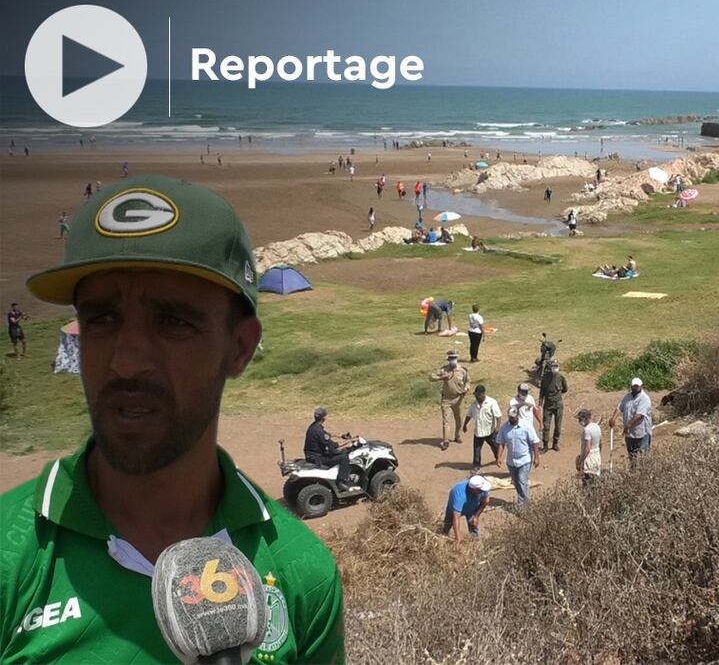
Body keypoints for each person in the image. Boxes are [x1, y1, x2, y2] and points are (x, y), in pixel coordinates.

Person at [2, 175, 346, 662]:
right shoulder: (10, 555)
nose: (125, 362)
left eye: (173, 322)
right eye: (101, 318)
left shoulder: (302, 573)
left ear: (240, 348)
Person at [495, 407, 540, 506]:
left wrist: (536, 457)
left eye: (514, 418)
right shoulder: (505, 428)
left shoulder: (526, 426)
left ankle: (523, 505)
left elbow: (535, 442)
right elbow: (501, 443)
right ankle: (523, 500)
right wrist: (498, 457)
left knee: (522, 480)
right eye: (510, 418)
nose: (512, 420)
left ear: (518, 416)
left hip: (525, 459)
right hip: (511, 461)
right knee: (516, 482)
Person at [304, 407, 357, 492]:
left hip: (311, 455)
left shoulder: (313, 426)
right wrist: (350, 441)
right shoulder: (319, 431)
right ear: (324, 418)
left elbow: (326, 435)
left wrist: (341, 436)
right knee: (344, 456)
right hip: (318, 457)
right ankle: (341, 482)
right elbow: (333, 445)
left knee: (338, 452)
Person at [430, 350, 470, 451]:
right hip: (446, 399)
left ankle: (457, 436)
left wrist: (466, 389)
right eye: (451, 358)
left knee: (459, 420)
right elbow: (431, 377)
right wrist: (441, 378)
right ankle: (446, 441)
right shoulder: (444, 370)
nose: (453, 360)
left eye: (454, 358)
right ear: (448, 360)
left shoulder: (463, 370)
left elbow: (468, 382)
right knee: (446, 421)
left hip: (459, 398)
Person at [609, 377, 653, 467]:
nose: (635, 388)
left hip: (642, 432)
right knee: (632, 455)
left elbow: (639, 416)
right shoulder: (627, 397)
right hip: (630, 433)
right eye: (634, 386)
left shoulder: (644, 399)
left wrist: (628, 426)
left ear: (641, 386)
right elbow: (619, 408)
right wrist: (613, 418)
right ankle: (633, 472)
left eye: (637, 386)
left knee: (643, 456)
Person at [462, 385, 501, 471]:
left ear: (483, 394)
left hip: (490, 431)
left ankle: (498, 458)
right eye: (475, 395)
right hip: (478, 432)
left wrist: (497, 427)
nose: (476, 397)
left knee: (495, 446)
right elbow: (469, 415)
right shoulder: (473, 404)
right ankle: (476, 465)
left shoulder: (491, 402)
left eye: (478, 395)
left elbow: (498, 416)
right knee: (477, 449)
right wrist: (465, 425)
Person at [443, 475, 492, 541]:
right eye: (480, 491)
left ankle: (475, 543)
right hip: (453, 510)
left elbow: (486, 501)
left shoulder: (483, 488)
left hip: (472, 508)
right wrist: (458, 539)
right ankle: (442, 538)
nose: (483, 492)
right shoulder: (459, 494)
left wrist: (476, 515)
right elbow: (456, 516)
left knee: (474, 529)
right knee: (446, 526)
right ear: (474, 489)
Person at [539, 360, 569, 452]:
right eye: (553, 366)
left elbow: (565, 389)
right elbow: (542, 393)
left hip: (558, 405)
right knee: (546, 425)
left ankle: (555, 443)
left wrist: (558, 396)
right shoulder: (545, 378)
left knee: (558, 426)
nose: (554, 368)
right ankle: (545, 445)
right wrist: (540, 404)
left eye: (556, 366)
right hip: (547, 405)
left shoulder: (561, 378)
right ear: (550, 367)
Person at [575, 408, 602, 486]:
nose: (579, 421)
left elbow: (587, 448)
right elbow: (600, 443)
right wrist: (598, 454)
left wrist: (581, 460)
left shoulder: (587, 430)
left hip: (589, 459)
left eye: (580, 419)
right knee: (595, 482)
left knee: (587, 483)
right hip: (597, 457)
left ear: (584, 418)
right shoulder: (597, 426)